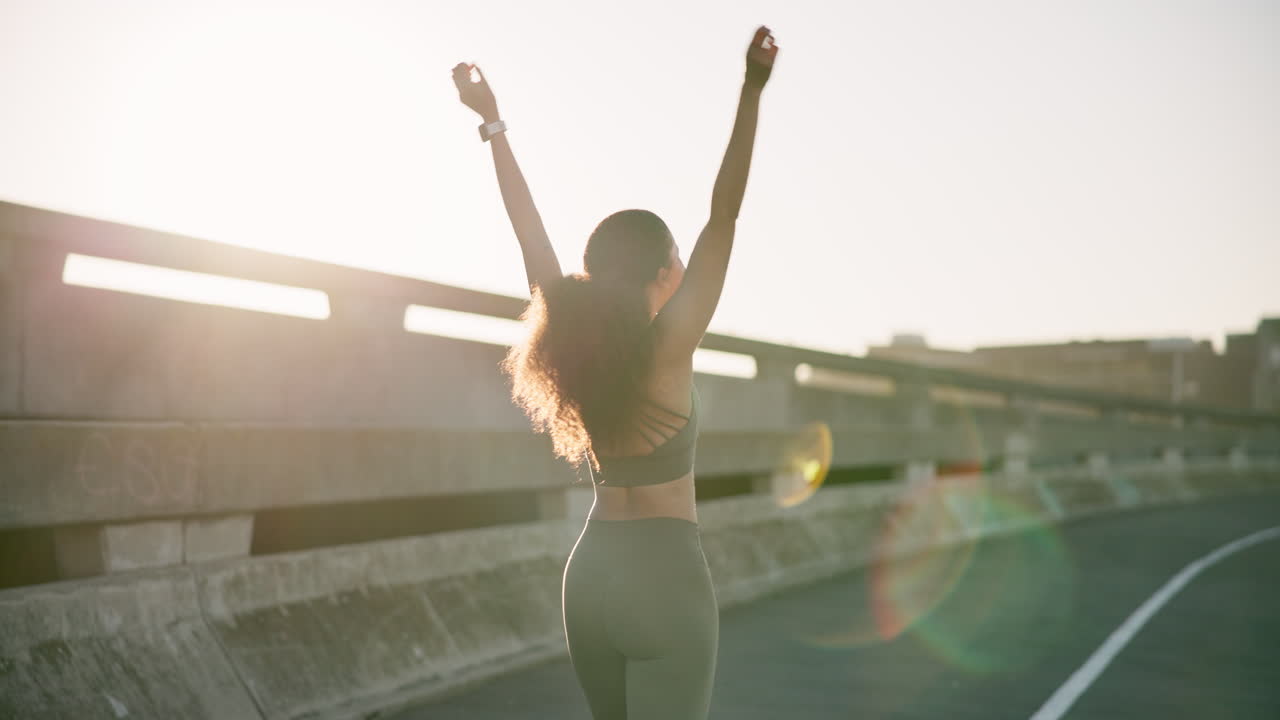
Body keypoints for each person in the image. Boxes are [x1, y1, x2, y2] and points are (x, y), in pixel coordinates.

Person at [452, 24, 777, 720]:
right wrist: (753, 89)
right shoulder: (671, 347)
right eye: (679, 258)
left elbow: (529, 230)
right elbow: (725, 213)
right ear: (663, 272)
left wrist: (492, 121)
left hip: (591, 576)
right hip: (665, 579)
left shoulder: (574, 340)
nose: (685, 267)